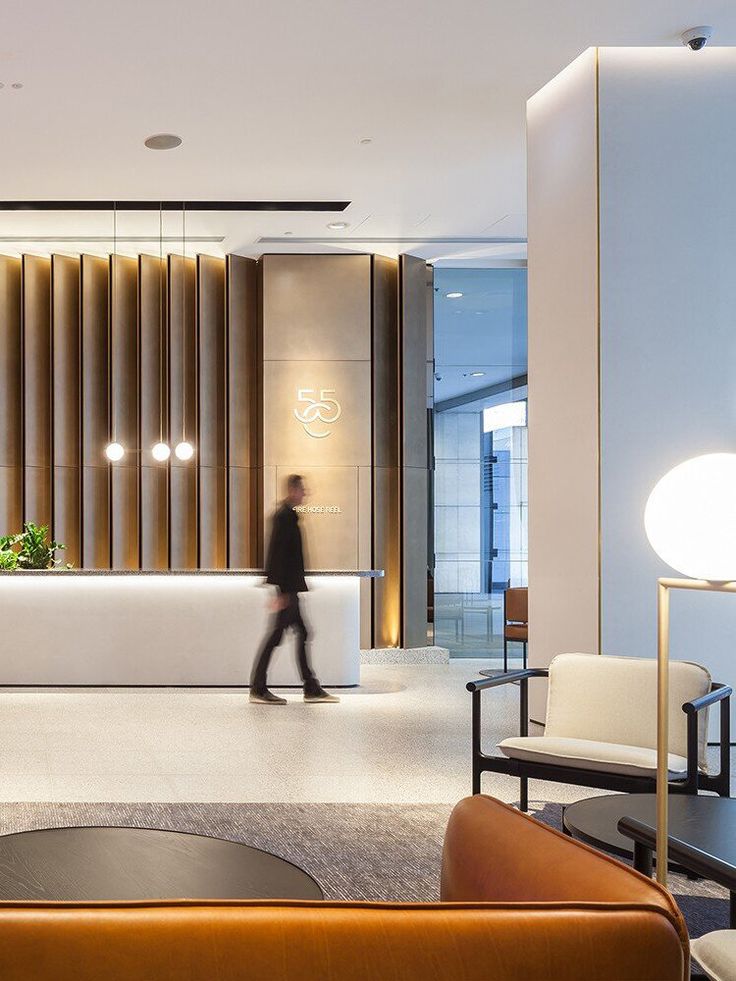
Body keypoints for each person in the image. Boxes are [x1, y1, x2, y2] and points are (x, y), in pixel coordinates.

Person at [250, 474, 339, 705]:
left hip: (290, 590)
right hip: (287, 591)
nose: (305, 493)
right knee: (277, 636)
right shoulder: (283, 517)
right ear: (292, 490)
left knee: (302, 632)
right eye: (302, 490)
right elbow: (277, 555)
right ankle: (260, 688)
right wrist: (281, 592)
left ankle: (310, 686)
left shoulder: (289, 516)